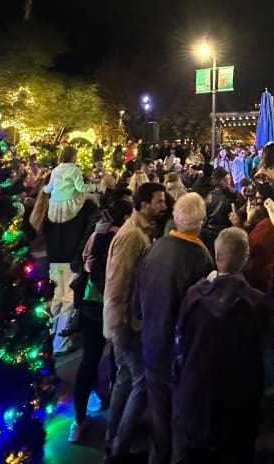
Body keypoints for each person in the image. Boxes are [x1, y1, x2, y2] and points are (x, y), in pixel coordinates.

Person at [173, 227, 274, 464]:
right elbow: (268, 360)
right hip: (241, 403)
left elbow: (179, 347)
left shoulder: (193, 296)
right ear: (246, 258)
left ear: (216, 256)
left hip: (197, 396)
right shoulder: (258, 303)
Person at [134, 193, 215, 464]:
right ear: (200, 222)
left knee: (159, 422)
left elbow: (138, 300)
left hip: (152, 346)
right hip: (180, 357)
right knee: (182, 424)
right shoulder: (199, 257)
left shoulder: (155, 247)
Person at [102, 182, 167, 462]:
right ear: (143, 204)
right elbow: (118, 285)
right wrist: (119, 326)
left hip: (126, 321)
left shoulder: (140, 232)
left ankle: (112, 438)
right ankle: (119, 448)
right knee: (141, 381)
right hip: (126, 323)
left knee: (125, 379)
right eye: (159, 202)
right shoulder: (132, 237)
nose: (163, 207)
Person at [68, 196, 131, 444]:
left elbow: (83, 263)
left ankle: (79, 419)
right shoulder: (124, 238)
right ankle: (116, 424)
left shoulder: (97, 235)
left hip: (91, 304)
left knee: (89, 360)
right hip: (112, 303)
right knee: (117, 362)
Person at [42, 145, 98, 354]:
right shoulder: (84, 207)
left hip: (54, 256)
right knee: (68, 299)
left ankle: (49, 337)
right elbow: (82, 188)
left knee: (56, 296)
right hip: (72, 257)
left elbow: (47, 189)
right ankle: (60, 344)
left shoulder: (52, 209)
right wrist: (91, 188)